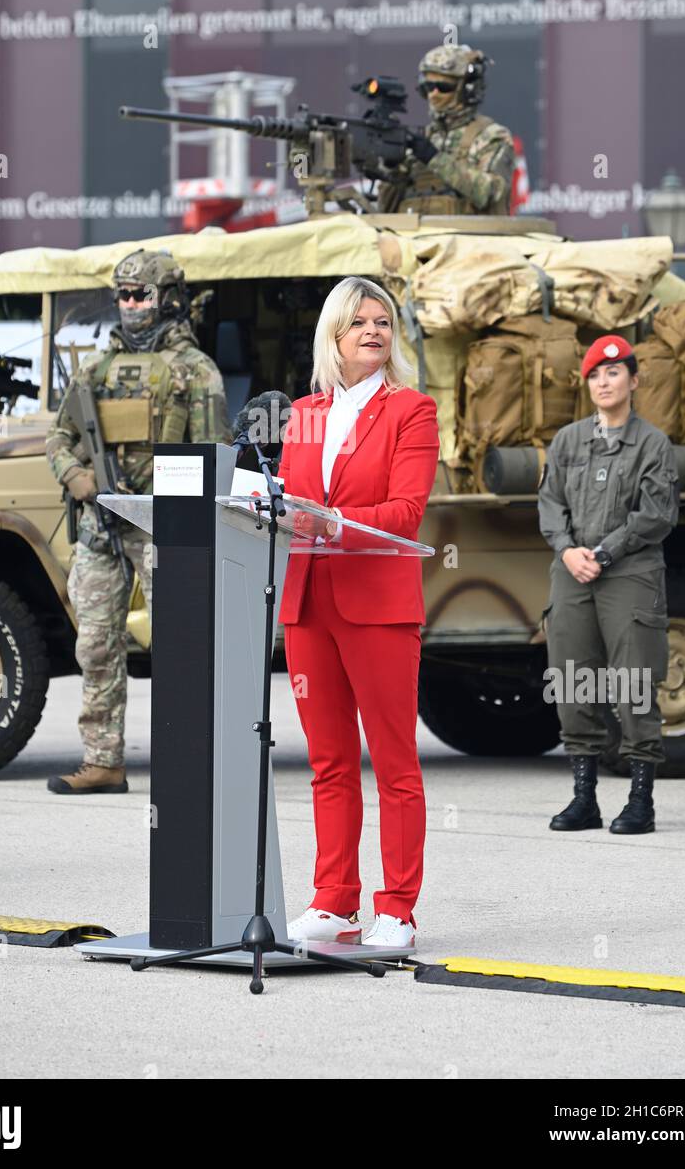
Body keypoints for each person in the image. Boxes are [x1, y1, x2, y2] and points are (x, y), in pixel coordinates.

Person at [277, 276, 440, 949]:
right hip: (308, 601)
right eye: (358, 322)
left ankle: (395, 909)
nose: (373, 330)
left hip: (376, 605)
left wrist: (334, 524)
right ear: (334, 335)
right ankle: (335, 900)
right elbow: (286, 498)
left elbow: (406, 512)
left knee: (395, 763)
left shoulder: (412, 410)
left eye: (382, 321)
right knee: (330, 762)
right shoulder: (305, 412)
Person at [45, 248, 231, 795]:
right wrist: (77, 477)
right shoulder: (94, 370)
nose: (130, 305)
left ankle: (189, 759)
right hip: (100, 527)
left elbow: (213, 457)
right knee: (96, 644)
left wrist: (170, 504)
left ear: (167, 298)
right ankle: (103, 760)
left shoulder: (194, 372)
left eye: (141, 295)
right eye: (122, 295)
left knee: (180, 643)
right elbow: (59, 439)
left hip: (163, 527)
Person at [538, 335, 679, 835]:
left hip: (631, 571)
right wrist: (568, 548)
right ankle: (585, 798)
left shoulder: (653, 444)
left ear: (634, 381)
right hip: (572, 570)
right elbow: (550, 503)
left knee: (634, 681)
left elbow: (656, 514)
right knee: (573, 679)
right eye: (596, 374)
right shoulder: (569, 441)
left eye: (614, 373)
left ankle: (641, 799)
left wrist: (605, 551)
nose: (604, 381)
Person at [377, 43, 515, 216]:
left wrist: (434, 159)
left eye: (443, 87)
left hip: (471, 240)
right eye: (427, 87)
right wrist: (392, 169)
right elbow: (385, 208)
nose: (433, 94)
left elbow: (491, 193)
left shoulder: (491, 137)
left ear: (466, 89)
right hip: (419, 240)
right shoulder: (424, 139)